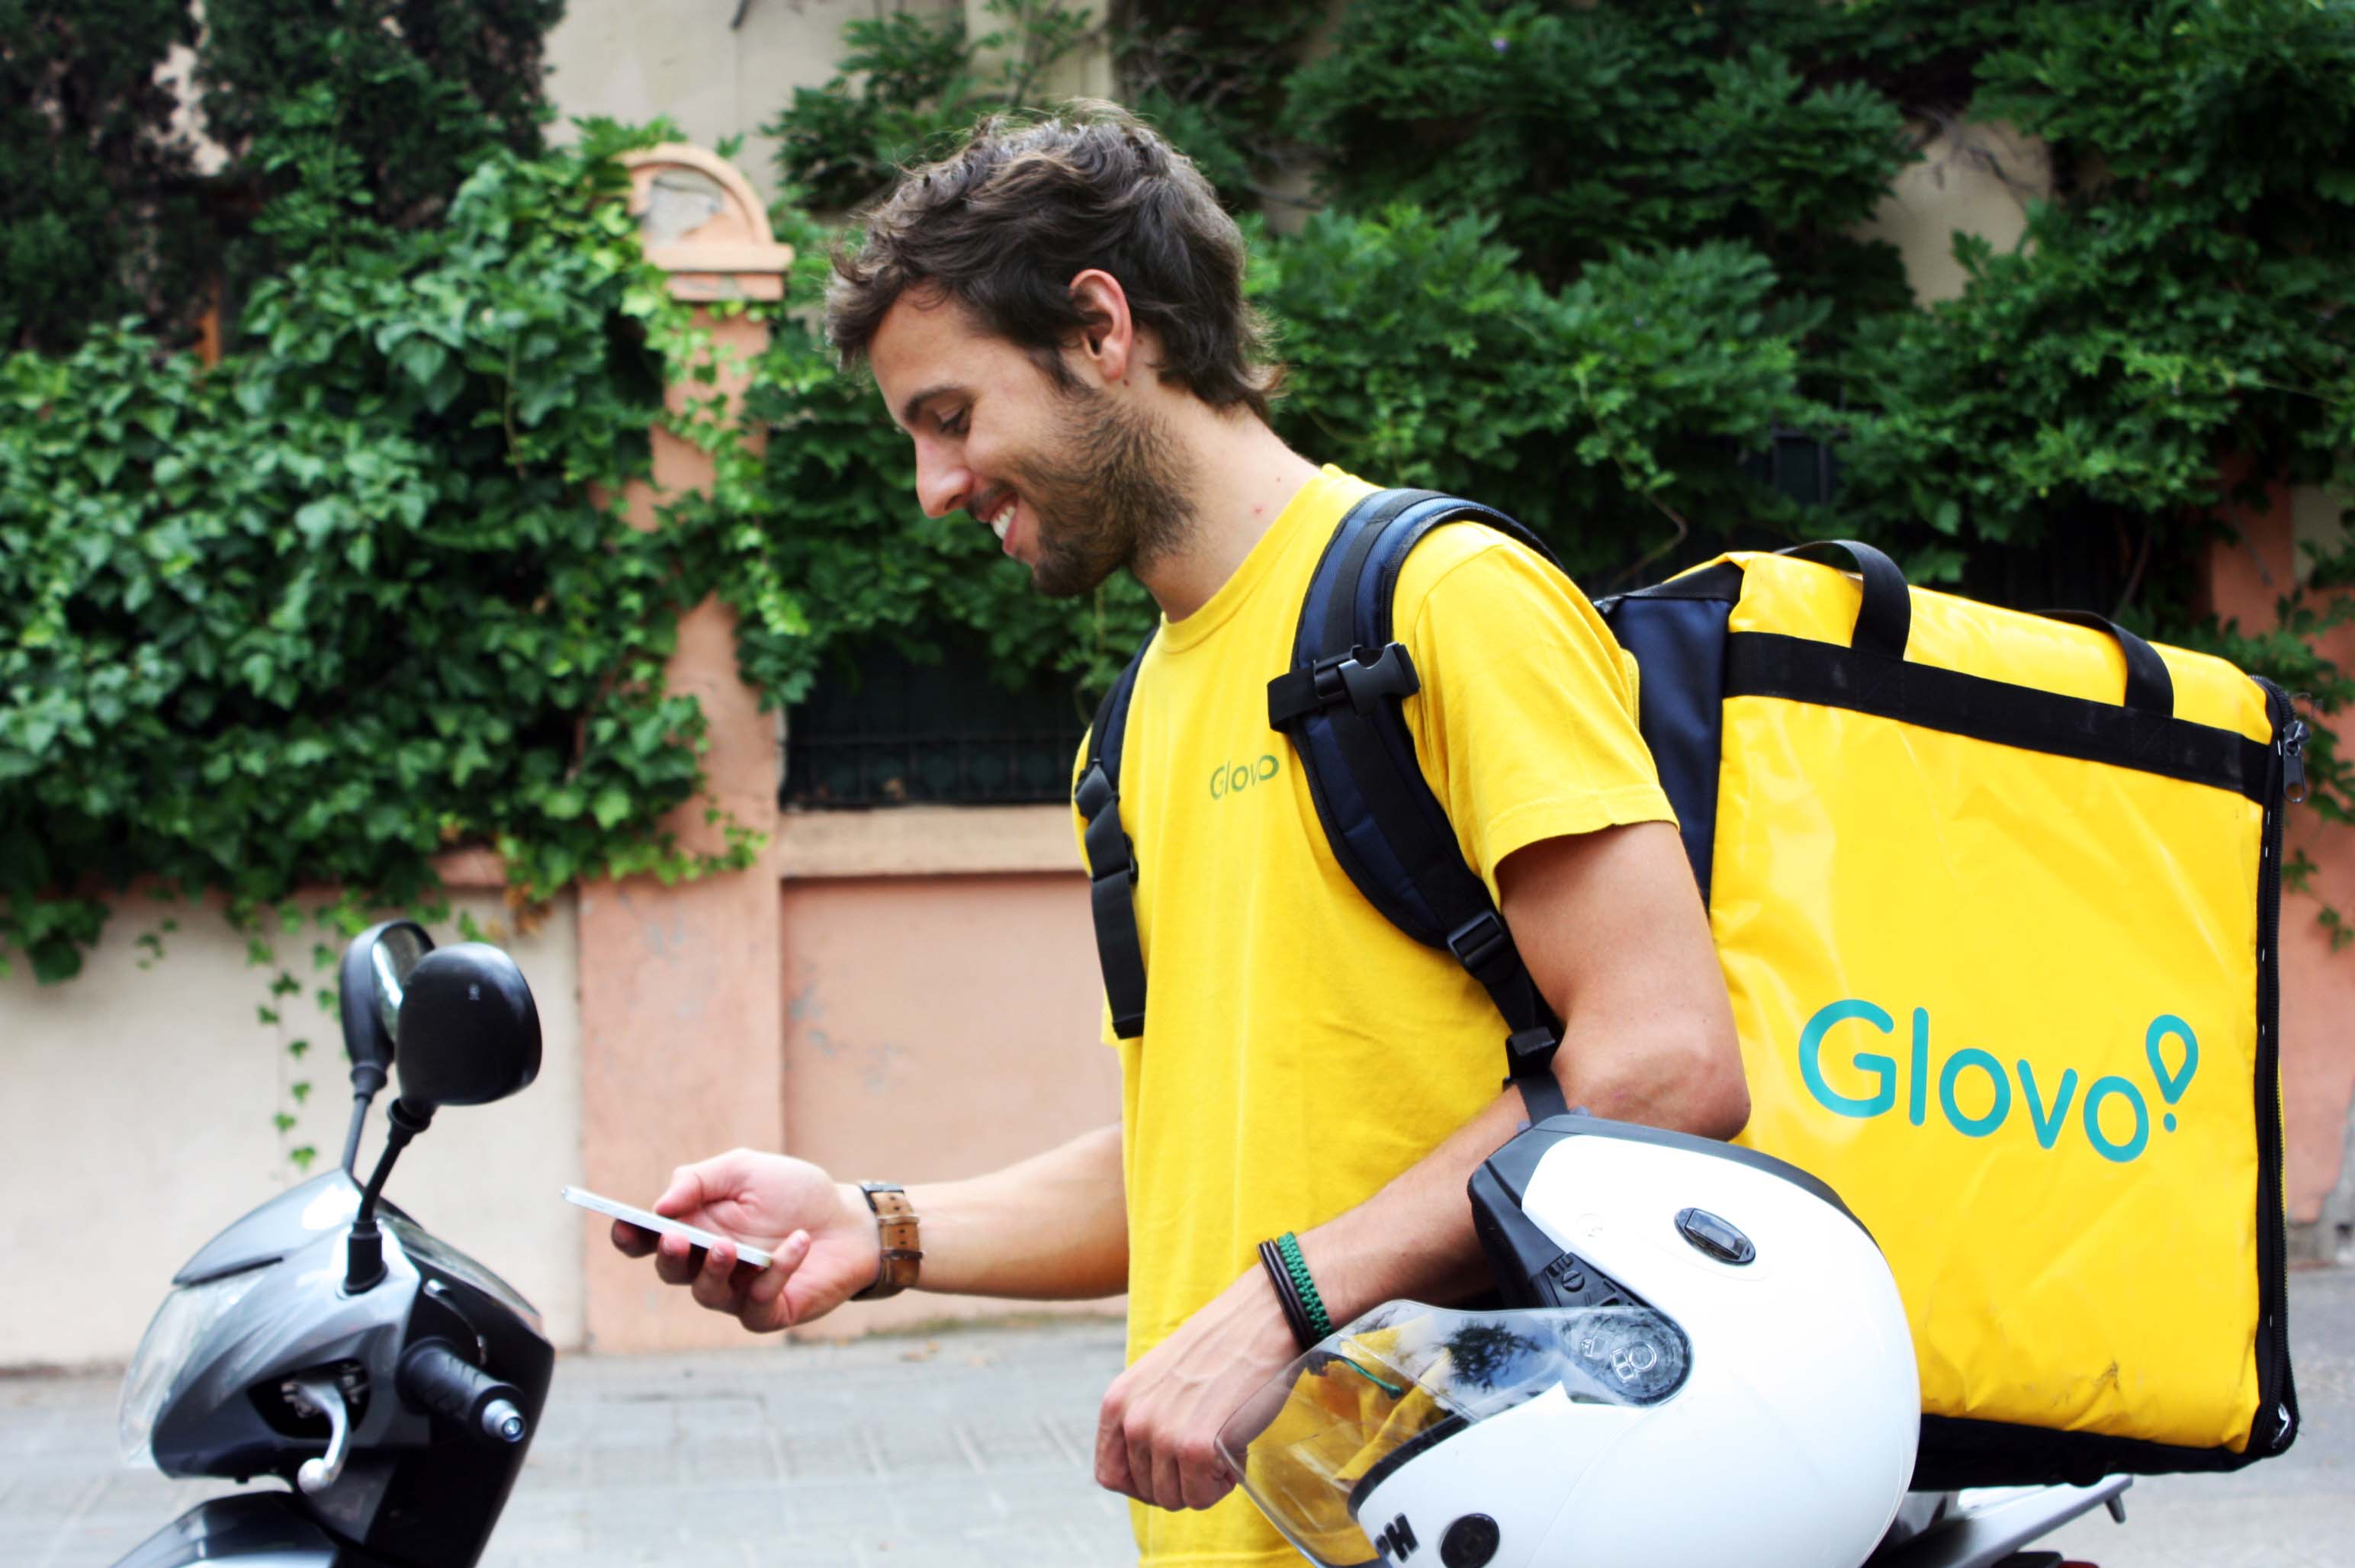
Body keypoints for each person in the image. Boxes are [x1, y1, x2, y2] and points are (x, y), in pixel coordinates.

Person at [611, 102, 1746, 1568]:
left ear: (1099, 329)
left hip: (1500, 1524)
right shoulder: (1131, 728)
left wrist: (1282, 1302)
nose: (935, 487)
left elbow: (1664, 1066)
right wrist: (874, 1230)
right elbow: (1203, 1155)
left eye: (951, 417)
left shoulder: (1442, 602)